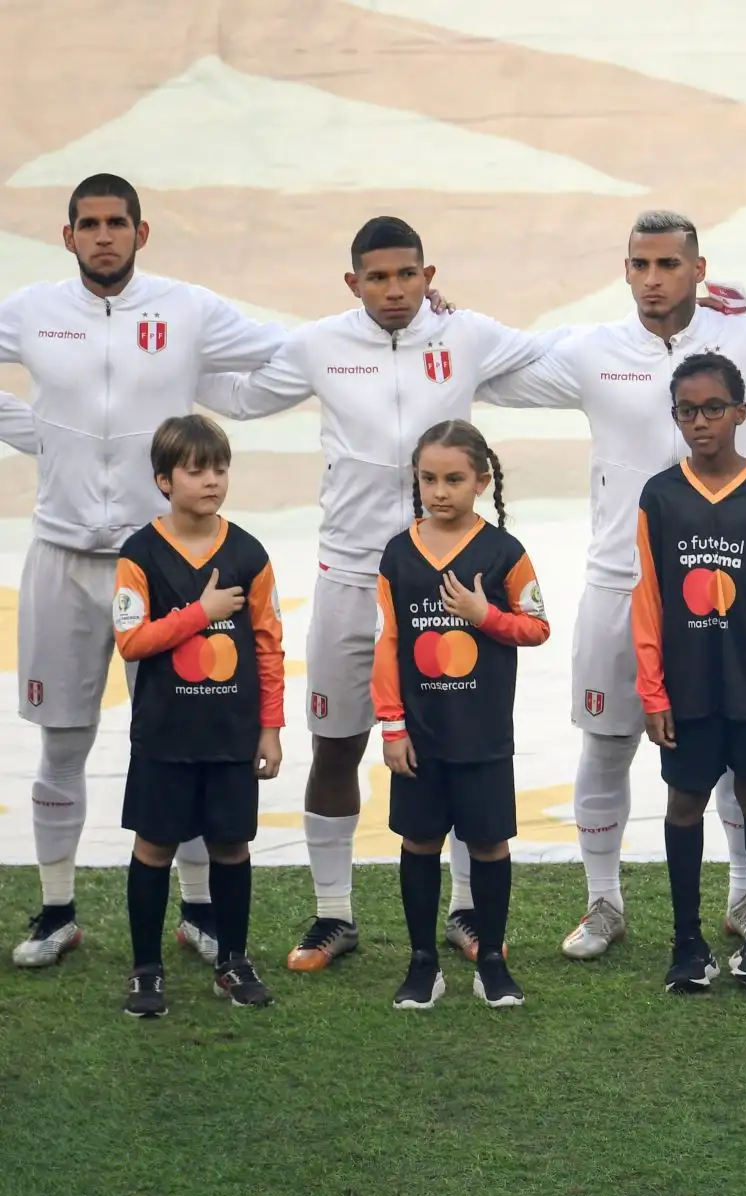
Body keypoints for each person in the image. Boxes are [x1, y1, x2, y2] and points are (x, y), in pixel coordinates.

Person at [198, 215, 561, 973]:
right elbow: (240, 398)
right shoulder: (318, 344)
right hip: (348, 578)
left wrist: (682, 325)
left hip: (446, 582)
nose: (393, 291)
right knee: (336, 747)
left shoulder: (468, 335)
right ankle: (334, 914)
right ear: (352, 281)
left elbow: (564, 355)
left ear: (429, 276)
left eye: (407, 276)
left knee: (457, 747)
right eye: (377, 277)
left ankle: (465, 911)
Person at [478, 210, 746, 962]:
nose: (651, 279)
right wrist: (442, 324)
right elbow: (500, 368)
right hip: (618, 583)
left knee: (739, 749)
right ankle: (603, 902)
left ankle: (742, 896)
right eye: (639, 265)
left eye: (668, 264)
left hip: (727, 590)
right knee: (606, 743)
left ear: (699, 270)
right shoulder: (592, 350)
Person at [0, 173, 290, 969]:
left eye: (116, 223)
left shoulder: (187, 309)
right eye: (88, 224)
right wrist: (39, 437)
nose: (103, 236)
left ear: (141, 231)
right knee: (62, 738)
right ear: (67, 237)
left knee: (189, 733)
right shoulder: (32, 312)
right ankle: (56, 909)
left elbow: (288, 349)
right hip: (61, 556)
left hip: (164, 563)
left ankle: (198, 913)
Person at [633, 354, 746, 996]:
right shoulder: (660, 494)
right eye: (686, 410)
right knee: (684, 804)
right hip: (686, 684)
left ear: (740, 412)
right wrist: (651, 689)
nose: (699, 422)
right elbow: (648, 598)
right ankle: (687, 942)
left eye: (712, 409)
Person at [112, 416, 284, 1017]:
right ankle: (145, 970)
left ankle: (233, 962)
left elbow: (267, 644)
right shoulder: (139, 554)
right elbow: (131, 642)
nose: (212, 481)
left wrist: (270, 727)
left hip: (231, 736)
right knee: (154, 847)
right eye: (196, 470)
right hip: (164, 737)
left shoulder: (249, 553)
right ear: (164, 479)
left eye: (220, 468)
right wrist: (199, 611)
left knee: (232, 847)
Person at [375, 420, 550, 1010]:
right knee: (419, 842)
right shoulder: (399, 554)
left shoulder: (505, 553)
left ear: (481, 480)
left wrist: (485, 615)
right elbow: (388, 643)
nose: (440, 490)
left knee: (490, 845)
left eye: (454, 479)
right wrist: (392, 724)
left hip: (482, 737)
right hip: (420, 740)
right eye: (428, 478)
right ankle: (423, 962)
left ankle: (493, 960)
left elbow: (537, 626)